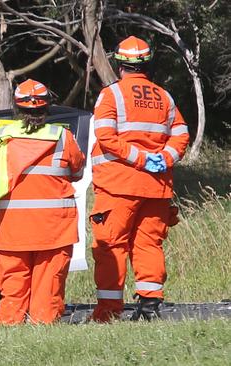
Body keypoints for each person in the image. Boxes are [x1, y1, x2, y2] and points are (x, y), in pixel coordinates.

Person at [90, 36, 190, 322]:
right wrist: (166, 157)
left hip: (119, 185)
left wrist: (139, 158)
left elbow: (106, 138)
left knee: (111, 245)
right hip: (156, 188)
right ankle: (149, 307)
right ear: (148, 64)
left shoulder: (111, 95)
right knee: (149, 244)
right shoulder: (164, 97)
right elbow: (181, 133)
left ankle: (107, 314)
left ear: (120, 65)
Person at [0, 79, 85, 325]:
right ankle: (42, 332)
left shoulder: (2, 136)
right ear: (47, 108)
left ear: (16, 108)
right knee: (47, 295)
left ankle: (6, 335)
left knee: (12, 292)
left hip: (11, 230)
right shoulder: (63, 137)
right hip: (54, 230)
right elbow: (77, 171)